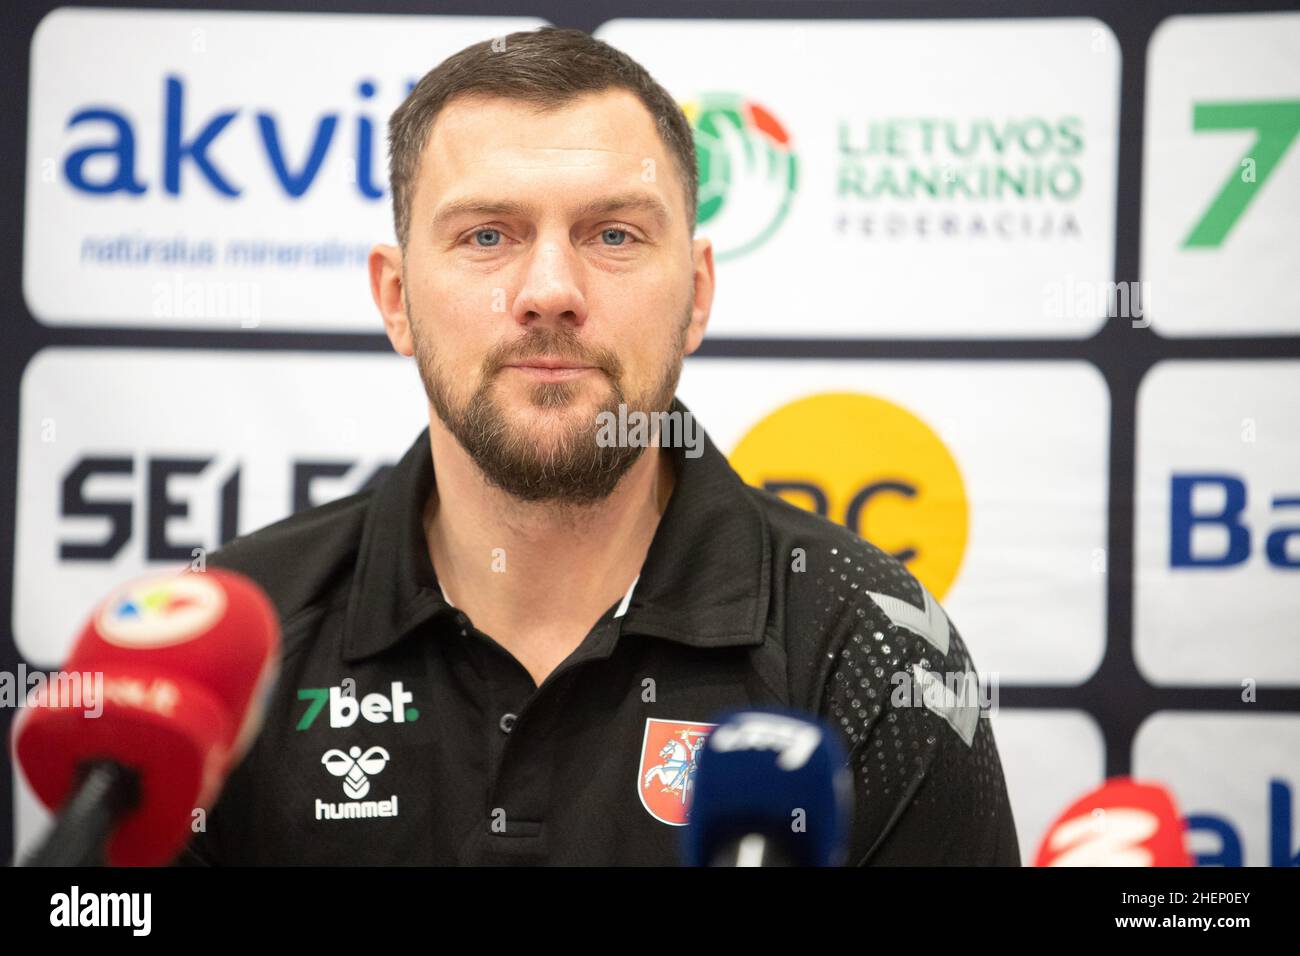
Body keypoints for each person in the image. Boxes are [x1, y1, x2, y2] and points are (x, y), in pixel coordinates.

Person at [178, 26, 1019, 865]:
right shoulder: (233, 639)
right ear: (396, 299)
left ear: (696, 296)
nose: (550, 291)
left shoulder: (868, 647)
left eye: (613, 234)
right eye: (487, 235)